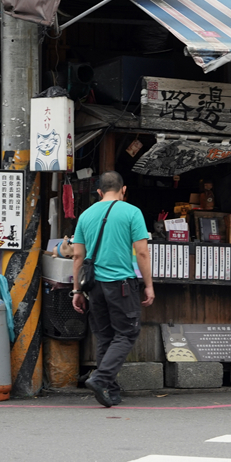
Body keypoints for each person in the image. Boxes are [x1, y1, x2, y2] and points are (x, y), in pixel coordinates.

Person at [71, 171, 155, 407]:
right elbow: (141, 252)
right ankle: (101, 378)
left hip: (94, 286)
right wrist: (148, 285)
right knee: (127, 333)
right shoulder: (132, 212)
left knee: (105, 336)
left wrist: (77, 291)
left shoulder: (86, 215)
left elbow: (78, 256)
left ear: (98, 192)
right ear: (123, 189)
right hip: (121, 285)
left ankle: (111, 390)